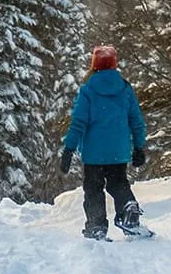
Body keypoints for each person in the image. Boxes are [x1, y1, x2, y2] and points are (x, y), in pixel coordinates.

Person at [60, 45, 150, 240]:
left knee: (93, 189)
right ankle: (128, 210)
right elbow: (136, 120)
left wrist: (69, 148)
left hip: (94, 153)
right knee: (119, 183)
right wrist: (139, 146)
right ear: (114, 64)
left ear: (94, 65)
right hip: (118, 151)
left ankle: (96, 227)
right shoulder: (125, 88)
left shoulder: (88, 89)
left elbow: (79, 122)